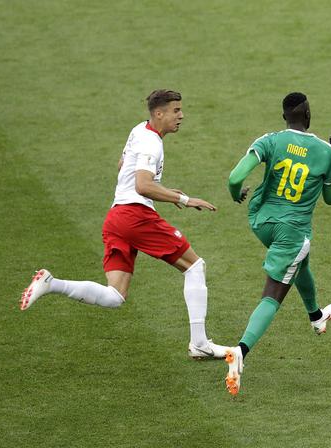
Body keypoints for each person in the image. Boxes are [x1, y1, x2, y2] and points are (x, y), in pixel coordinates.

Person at [20, 89, 228, 359]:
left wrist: (160, 189)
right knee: (195, 267)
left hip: (116, 217)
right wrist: (184, 199)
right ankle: (199, 343)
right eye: (176, 111)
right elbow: (142, 185)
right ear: (159, 113)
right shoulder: (153, 143)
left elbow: (123, 166)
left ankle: (51, 283)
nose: (181, 116)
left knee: (114, 296)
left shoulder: (138, 130)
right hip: (135, 216)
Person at [223, 92, 331, 396]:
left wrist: (236, 195)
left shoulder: (271, 140)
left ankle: (316, 316)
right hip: (292, 231)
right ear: (308, 115)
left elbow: (234, 177)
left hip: (261, 221)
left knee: (299, 262)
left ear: (285, 117)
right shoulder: (325, 151)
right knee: (273, 294)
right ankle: (240, 351)